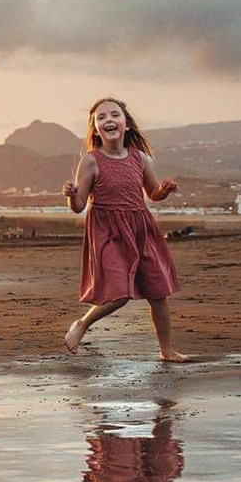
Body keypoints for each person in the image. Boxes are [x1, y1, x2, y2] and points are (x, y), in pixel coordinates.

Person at [61, 96, 187, 361]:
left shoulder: (140, 158)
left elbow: (152, 193)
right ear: (95, 129)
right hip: (108, 233)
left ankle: (166, 350)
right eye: (102, 118)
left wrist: (164, 190)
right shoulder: (91, 161)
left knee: (158, 293)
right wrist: (71, 195)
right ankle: (82, 324)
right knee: (119, 294)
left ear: (126, 124)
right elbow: (79, 205)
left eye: (114, 115)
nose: (109, 120)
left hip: (141, 229)